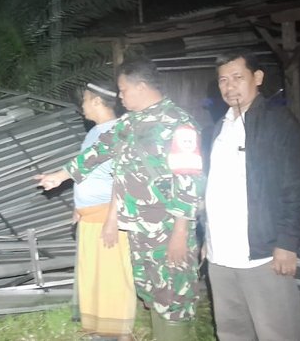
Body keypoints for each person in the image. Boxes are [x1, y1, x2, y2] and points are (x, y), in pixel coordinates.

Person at [38, 58, 203, 341]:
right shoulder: (130, 123)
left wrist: (180, 232)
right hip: (138, 231)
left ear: (140, 87)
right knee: (152, 294)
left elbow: (189, 182)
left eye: (123, 89)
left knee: (173, 298)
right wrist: (62, 175)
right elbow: (100, 150)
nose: (120, 96)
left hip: (166, 231)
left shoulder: (178, 123)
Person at [204, 49, 300, 341]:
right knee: (232, 332)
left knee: (279, 332)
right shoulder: (219, 128)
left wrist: (288, 242)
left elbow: (297, 186)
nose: (229, 86)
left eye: (238, 77)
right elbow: (212, 186)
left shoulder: (278, 123)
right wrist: (206, 238)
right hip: (220, 257)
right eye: (223, 80)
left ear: (258, 78)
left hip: (262, 255)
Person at [72, 81, 136, 339]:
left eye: (85, 100)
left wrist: (113, 221)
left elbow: (122, 182)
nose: (82, 105)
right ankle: (98, 328)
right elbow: (89, 172)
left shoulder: (117, 132)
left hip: (107, 217)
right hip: (90, 217)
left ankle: (120, 332)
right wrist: (78, 208)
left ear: (97, 101)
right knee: (93, 275)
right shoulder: (95, 132)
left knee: (113, 277)